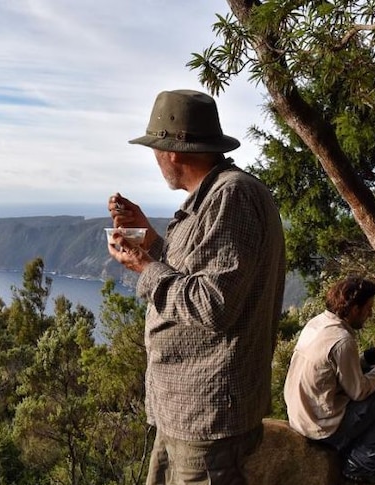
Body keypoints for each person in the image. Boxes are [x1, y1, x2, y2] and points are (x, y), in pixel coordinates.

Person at [105, 89, 286, 485]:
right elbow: (200, 270)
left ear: (172, 151)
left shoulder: (232, 196)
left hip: (208, 418)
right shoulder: (211, 198)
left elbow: (213, 303)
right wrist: (151, 241)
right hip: (188, 410)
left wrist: (142, 264)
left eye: (155, 147)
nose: (155, 159)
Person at [284, 277, 375, 485]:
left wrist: (374, 355)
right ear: (354, 309)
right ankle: (362, 463)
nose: (370, 314)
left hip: (302, 415)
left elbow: (337, 371)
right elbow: (358, 392)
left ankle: (360, 451)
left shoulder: (318, 323)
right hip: (320, 427)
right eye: (368, 308)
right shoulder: (343, 340)